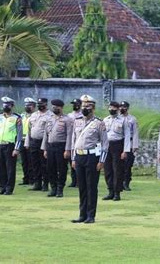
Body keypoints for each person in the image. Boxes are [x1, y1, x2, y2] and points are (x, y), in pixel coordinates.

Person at [71, 95, 108, 224]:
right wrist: (73, 158)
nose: (85, 108)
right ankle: (82, 214)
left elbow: (104, 143)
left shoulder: (99, 123)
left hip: (92, 157)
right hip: (79, 156)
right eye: (83, 106)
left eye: (87, 106)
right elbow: (73, 141)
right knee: (81, 187)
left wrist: (102, 161)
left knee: (91, 186)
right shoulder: (77, 121)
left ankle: (91, 215)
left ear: (93, 107)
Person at [0, 97, 22, 195]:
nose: (5, 107)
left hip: (10, 146)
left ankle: (9, 188)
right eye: (4, 105)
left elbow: (19, 135)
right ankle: (2, 187)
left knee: (10, 168)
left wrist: (16, 148)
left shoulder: (17, 118)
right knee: (0, 167)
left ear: (12, 106)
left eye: (7, 105)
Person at [41, 99, 73, 198]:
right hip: (50, 146)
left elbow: (69, 135)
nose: (54, 108)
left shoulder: (67, 119)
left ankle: (60, 189)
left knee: (61, 168)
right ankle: (53, 188)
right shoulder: (49, 119)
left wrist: (67, 150)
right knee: (50, 168)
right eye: (53, 106)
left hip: (61, 146)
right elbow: (46, 135)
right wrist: (45, 149)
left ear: (61, 107)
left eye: (56, 107)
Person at [103, 101, 130, 201]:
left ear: (118, 109)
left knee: (117, 170)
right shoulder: (105, 120)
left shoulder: (123, 120)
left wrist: (125, 151)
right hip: (107, 146)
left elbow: (127, 136)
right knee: (107, 170)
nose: (112, 109)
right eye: (110, 107)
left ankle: (117, 192)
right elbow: (102, 135)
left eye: (114, 108)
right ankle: (110, 191)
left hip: (118, 145)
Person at [25, 98, 52, 191]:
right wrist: (27, 142)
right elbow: (29, 129)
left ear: (46, 104)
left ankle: (45, 183)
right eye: (38, 104)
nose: (40, 105)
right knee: (35, 163)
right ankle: (37, 183)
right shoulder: (33, 115)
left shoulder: (50, 115)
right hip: (33, 141)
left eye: (42, 104)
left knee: (44, 164)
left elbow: (49, 132)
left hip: (43, 142)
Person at [120, 101, 139, 191]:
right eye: (120, 107)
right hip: (119, 143)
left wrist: (135, 145)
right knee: (119, 165)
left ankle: (126, 183)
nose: (122, 108)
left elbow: (135, 133)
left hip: (130, 143)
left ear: (127, 108)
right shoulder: (117, 119)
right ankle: (119, 182)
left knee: (128, 165)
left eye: (124, 107)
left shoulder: (132, 119)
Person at [19, 98, 36, 186]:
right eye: (26, 105)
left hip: (30, 140)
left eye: (29, 105)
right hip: (22, 140)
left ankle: (32, 179)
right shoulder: (21, 116)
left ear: (33, 106)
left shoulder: (35, 116)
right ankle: (25, 178)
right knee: (24, 161)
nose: (27, 107)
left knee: (31, 161)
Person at [67, 98, 83, 187]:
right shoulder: (69, 115)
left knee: (78, 161)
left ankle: (79, 181)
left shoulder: (83, 115)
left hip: (79, 139)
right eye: (73, 104)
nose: (74, 105)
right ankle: (73, 180)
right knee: (71, 162)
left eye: (76, 104)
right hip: (71, 139)